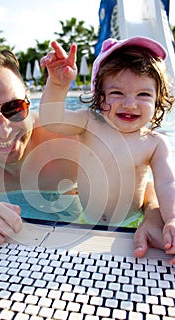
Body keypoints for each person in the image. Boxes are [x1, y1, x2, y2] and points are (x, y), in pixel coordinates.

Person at [0, 47, 165, 258]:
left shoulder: (72, 136)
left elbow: (137, 175)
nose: (4, 129)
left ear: (29, 101)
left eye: (14, 108)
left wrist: (153, 214)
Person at [39, 37, 175, 264]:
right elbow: (51, 120)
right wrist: (58, 84)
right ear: (99, 95)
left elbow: (167, 184)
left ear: (158, 100)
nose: (130, 104)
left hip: (131, 223)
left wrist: (172, 218)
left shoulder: (154, 143)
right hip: (86, 219)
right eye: (117, 93)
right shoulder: (89, 122)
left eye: (143, 95)